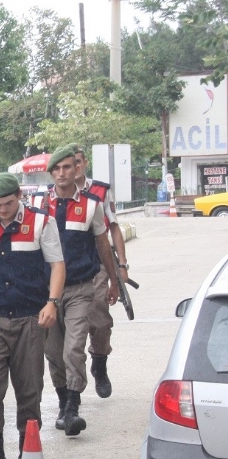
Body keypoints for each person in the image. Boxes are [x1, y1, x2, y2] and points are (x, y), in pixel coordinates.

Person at [0, 173, 65, 459]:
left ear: (19, 195)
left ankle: (27, 456)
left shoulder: (41, 222)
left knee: (29, 390)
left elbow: (57, 265)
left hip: (31, 318)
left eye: (9, 203)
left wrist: (52, 302)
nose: (3, 210)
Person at [43, 147, 118, 435]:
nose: (62, 173)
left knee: (73, 348)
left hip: (80, 288)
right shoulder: (37, 203)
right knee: (53, 351)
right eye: (57, 168)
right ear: (51, 173)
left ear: (77, 169)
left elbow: (102, 244)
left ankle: (73, 407)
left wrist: (113, 279)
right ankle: (63, 401)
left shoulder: (91, 204)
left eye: (68, 167)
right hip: (46, 292)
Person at [73, 146, 130, 398]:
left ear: (84, 163)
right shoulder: (52, 196)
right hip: (68, 265)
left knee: (98, 316)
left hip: (97, 262)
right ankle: (72, 387)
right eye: (65, 164)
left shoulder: (100, 191)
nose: (71, 168)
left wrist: (121, 266)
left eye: (76, 163)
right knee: (71, 326)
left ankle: (99, 362)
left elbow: (114, 227)